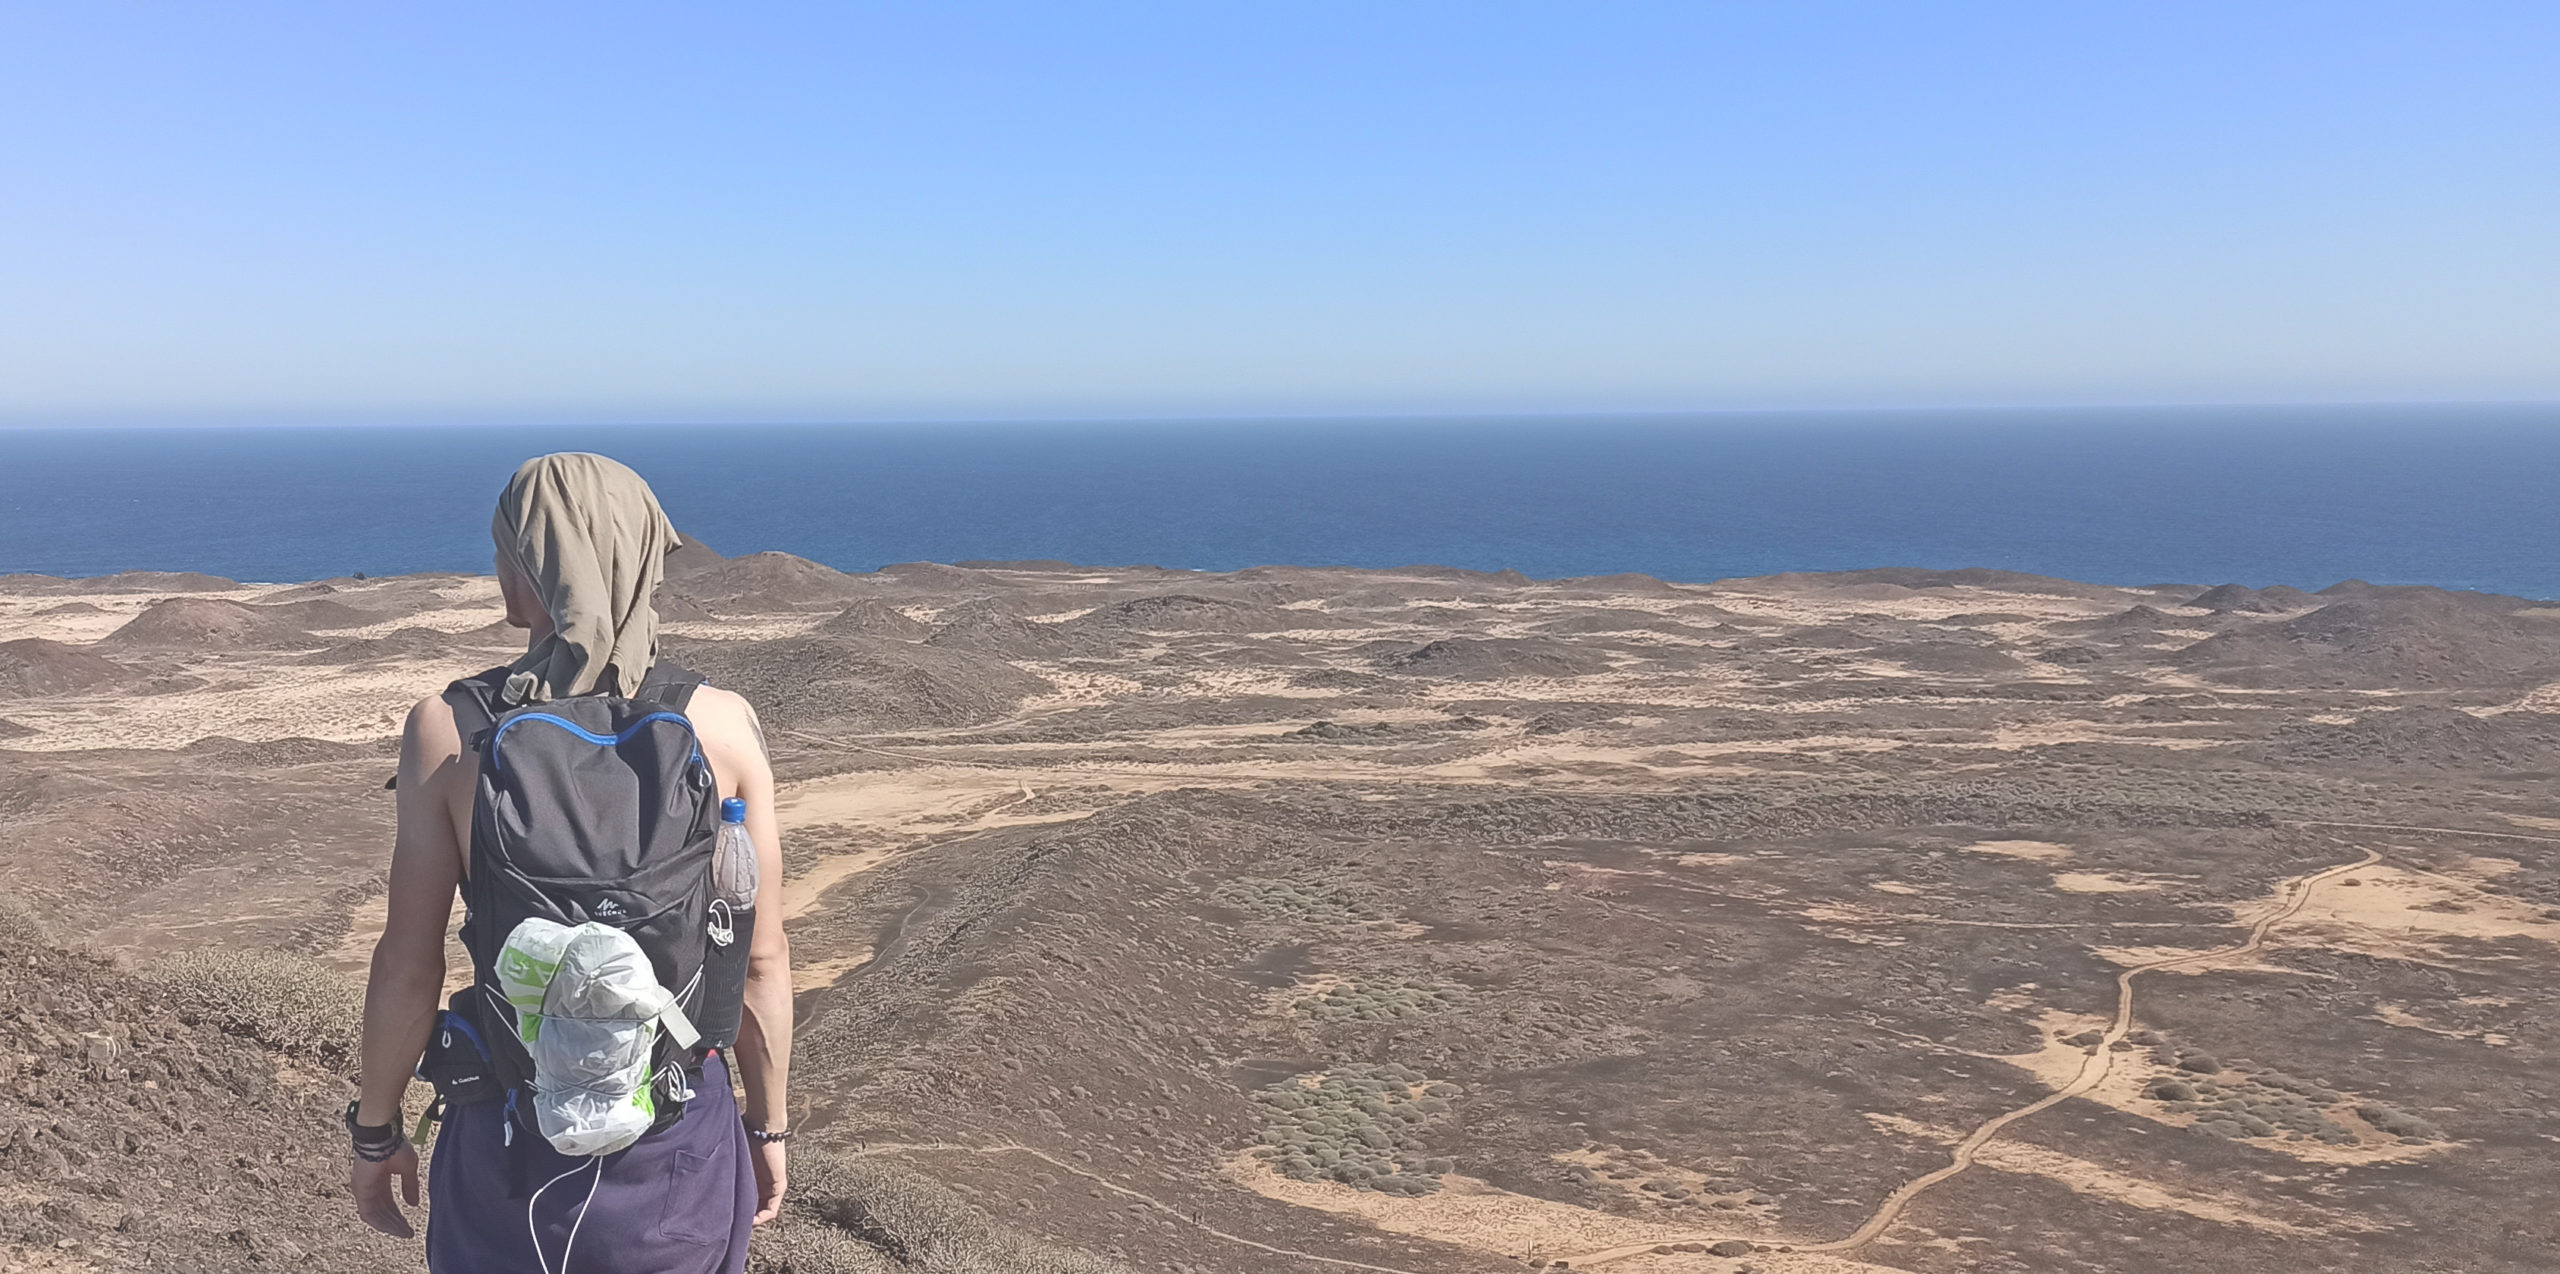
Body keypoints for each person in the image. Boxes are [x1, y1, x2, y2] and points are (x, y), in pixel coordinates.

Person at [347, 453, 792, 1272]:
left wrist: (375, 1132)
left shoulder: (449, 731)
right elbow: (760, 959)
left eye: (506, 551)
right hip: (678, 1142)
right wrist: (767, 1128)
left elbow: (408, 964)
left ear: (538, 567)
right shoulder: (723, 727)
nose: (497, 571)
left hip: (507, 1141)